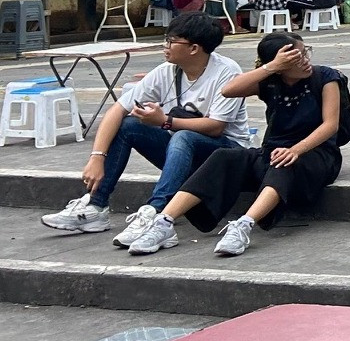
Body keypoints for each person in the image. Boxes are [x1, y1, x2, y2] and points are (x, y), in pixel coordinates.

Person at [124, 33, 348, 258]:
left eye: (305, 53)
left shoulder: (325, 77)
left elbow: (330, 126)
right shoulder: (270, 81)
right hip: (271, 151)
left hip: (316, 154)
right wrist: (271, 68)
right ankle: (164, 222)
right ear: (280, 65)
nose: (305, 60)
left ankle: (243, 225)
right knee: (224, 156)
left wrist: (295, 150)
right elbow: (229, 90)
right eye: (297, 57)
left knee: (282, 162)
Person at [40, 13, 249, 246]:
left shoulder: (227, 72)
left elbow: (216, 127)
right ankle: (95, 206)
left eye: (171, 41)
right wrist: (97, 157)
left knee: (183, 136)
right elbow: (117, 110)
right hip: (183, 153)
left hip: (227, 157)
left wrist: (165, 121)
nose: (165, 46)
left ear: (193, 48)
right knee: (129, 125)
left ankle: (155, 213)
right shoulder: (166, 71)